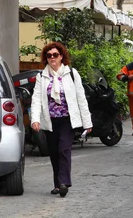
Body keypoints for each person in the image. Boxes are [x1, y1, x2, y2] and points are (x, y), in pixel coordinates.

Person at [30, 42, 92, 197]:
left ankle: (64, 182)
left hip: (67, 120)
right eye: (49, 55)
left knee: (63, 149)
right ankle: (58, 184)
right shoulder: (41, 76)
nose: (52, 58)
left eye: (55, 55)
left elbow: (81, 98)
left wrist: (87, 122)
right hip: (50, 121)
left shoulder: (71, 73)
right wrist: (35, 119)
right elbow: (36, 99)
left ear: (61, 56)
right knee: (54, 152)